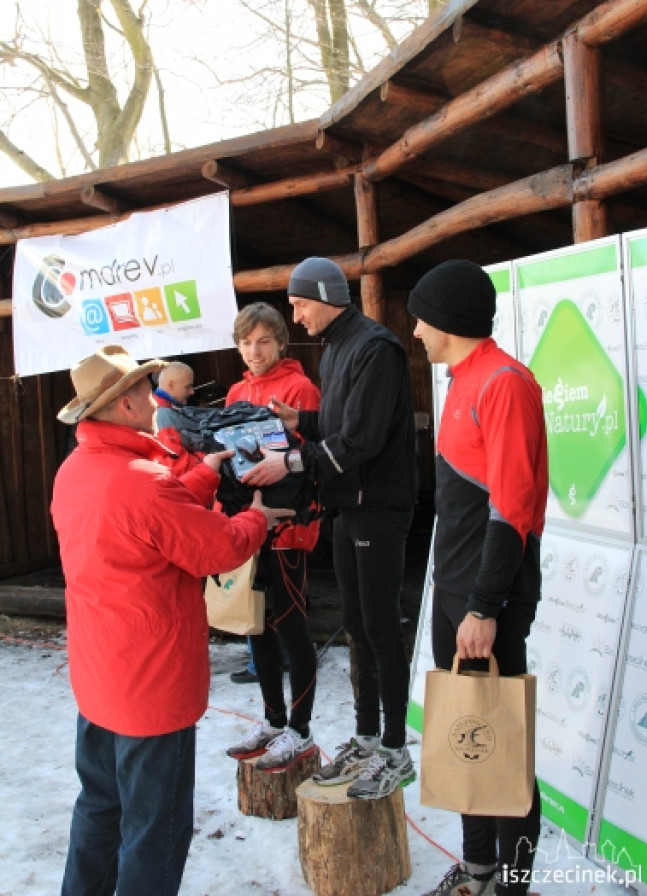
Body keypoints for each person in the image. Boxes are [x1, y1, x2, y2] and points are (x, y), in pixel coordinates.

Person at [51, 343, 292, 896]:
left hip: (99, 677)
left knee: (99, 809)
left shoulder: (76, 470)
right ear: (127, 405)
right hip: (151, 686)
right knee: (155, 830)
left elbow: (155, 516)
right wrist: (257, 519)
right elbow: (214, 548)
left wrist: (204, 474)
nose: (155, 400)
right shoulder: (141, 480)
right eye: (147, 391)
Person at [242, 258, 417, 800]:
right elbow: (339, 425)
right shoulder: (338, 346)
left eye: (299, 305)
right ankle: (366, 739)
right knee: (356, 624)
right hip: (348, 505)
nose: (296, 317)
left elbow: (360, 440)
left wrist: (291, 462)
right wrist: (302, 423)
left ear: (323, 295)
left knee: (381, 627)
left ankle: (395, 750)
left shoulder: (376, 347)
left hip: (378, 506)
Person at [407, 261, 548, 896]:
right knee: (468, 734)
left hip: (489, 600)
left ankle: (512, 886)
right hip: (454, 593)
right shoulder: (462, 379)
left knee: (503, 748)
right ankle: (477, 870)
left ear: (448, 320)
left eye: (421, 319)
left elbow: (511, 511)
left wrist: (484, 606)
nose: (415, 332)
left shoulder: (505, 383)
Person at [224, 302, 320, 769]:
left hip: (288, 527)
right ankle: (272, 720)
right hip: (250, 525)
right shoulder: (236, 391)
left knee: (292, 627)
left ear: (281, 342)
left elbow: (314, 459)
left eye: (263, 341)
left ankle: (299, 730)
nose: (254, 351)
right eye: (246, 343)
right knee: (256, 626)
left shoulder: (300, 387)